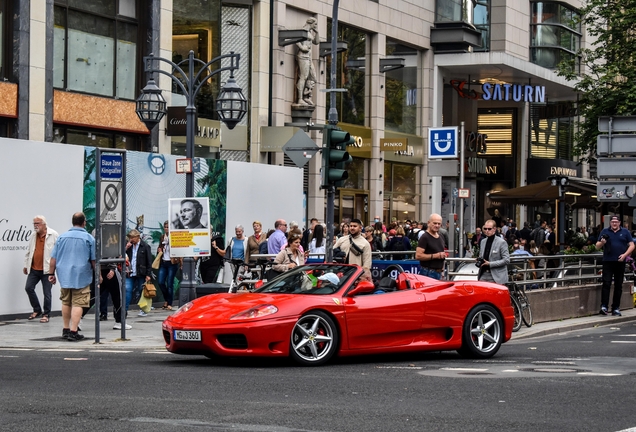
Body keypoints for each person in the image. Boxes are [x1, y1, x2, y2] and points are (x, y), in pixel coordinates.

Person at [47, 212, 95, 342]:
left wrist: (51, 274)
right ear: (84, 222)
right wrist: (99, 275)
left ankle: (65, 329)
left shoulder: (62, 237)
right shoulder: (89, 238)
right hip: (82, 276)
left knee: (66, 301)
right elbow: (93, 260)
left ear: (73, 221)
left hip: (64, 276)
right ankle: (74, 331)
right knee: (78, 303)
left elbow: (53, 259)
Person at [595, 215, 635, 316]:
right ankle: (604, 306)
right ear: (610, 223)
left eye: (616, 222)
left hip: (620, 261)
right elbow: (597, 246)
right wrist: (602, 243)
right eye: (612, 222)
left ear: (619, 223)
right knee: (606, 283)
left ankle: (615, 307)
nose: (614, 223)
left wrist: (625, 255)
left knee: (618, 285)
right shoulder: (605, 231)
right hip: (607, 261)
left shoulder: (625, 232)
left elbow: (632, 245)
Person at [23, 215, 59, 323]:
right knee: (28, 288)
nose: (35, 226)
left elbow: (58, 252)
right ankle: (37, 309)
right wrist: (26, 265)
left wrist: (55, 269)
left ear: (44, 224)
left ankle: (46, 314)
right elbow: (29, 251)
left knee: (47, 293)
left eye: (37, 223)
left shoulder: (53, 234)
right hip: (34, 268)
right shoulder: (33, 235)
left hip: (47, 270)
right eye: (34, 223)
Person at [124, 229, 153, 316]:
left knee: (142, 290)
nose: (131, 240)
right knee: (128, 289)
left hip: (141, 272)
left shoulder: (145, 246)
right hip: (130, 272)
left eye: (133, 238)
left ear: (138, 237)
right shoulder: (129, 246)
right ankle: (124, 310)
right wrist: (126, 248)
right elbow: (121, 256)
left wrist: (148, 274)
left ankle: (143, 309)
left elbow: (149, 261)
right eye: (130, 238)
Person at [477, 219, 510, 284]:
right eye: (485, 229)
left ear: (494, 229)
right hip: (483, 274)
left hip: (496, 276)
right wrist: (479, 260)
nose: (487, 231)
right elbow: (481, 255)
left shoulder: (501, 242)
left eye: (489, 229)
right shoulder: (483, 241)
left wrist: (490, 264)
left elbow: (506, 260)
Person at [295, 18, 319, 106]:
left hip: (309, 57)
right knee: (303, 77)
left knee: (313, 78)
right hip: (303, 56)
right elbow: (296, 40)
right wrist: (302, 47)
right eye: (315, 24)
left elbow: (316, 42)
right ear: (310, 23)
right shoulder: (303, 31)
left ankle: (306, 95)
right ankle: (300, 99)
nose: (316, 26)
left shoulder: (310, 32)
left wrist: (317, 32)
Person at [415, 213, 447, 279]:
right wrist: (436, 256)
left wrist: (442, 270)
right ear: (428, 223)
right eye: (434, 223)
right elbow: (418, 255)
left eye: (439, 224)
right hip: (428, 272)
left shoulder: (441, 236)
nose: (437, 225)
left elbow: (441, 253)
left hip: (439, 272)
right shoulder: (425, 237)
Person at [157, 221, 179, 311]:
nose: (166, 228)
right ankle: (166, 299)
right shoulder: (162, 237)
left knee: (170, 283)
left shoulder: (174, 237)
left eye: (168, 227)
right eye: (165, 227)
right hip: (163, 261)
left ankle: (169, 303)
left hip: (172, 262)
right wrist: (159, 249)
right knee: (161, 282)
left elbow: (178, 249)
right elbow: (160, 247)